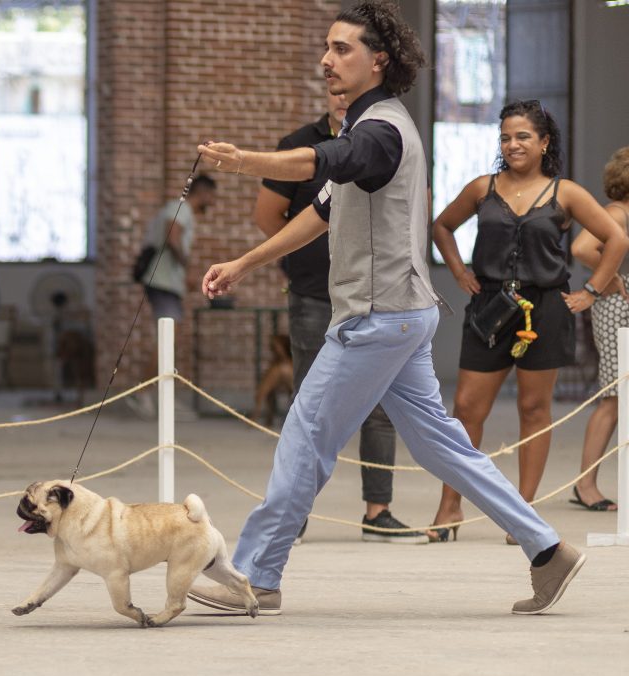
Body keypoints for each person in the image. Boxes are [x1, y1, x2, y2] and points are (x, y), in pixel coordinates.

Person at [186, 1, 598, 617]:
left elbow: (312, 164)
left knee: (305, 435)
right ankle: (548, 550)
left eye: (342, 49)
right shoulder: (366, 131)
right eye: (326, 48)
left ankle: (253, 575)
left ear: (379, 60)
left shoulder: (380, 132)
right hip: (403, 313)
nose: (327, 60)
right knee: (444, 447)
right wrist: (246, 262)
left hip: (377, 318)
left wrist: (243, 161)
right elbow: (321, 211)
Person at [429, 102, 628, 542]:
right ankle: (449, 507)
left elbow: (615, 238)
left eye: (522, 136)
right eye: (505, 137)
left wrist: (592, 289)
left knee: (534, 411)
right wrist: (460, 272)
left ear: (544, 142)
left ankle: (522, 515)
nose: (512, 144)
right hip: (489, 308)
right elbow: (442, 225)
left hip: (546, 309)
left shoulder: (566, 193)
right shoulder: (483, 187)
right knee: (465, 411)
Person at [254, 90, 424, 543]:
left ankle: (378, 508)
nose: (341, 96)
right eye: (334, 88)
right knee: (309, 405)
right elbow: (270, 213)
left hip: (376, 298)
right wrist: (296, 258)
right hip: (314, 292)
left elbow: (413, 206)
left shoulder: (384, 137)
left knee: (383, 406)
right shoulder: (298, 142)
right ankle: (295, 511)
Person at [568, 146, 629, 512]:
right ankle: (585, 484)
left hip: (620, 305)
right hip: (614, 309)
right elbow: (581, 247)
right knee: (613, 398)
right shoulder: (616, 213)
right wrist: (612, 280)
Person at [126, 175, 216, 419]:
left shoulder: (181, 210)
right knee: (167, 337)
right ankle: (142, 392)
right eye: (212, 196)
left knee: (170, 339)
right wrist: (187, 268)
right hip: (162, 282)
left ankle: (160, 396)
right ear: (203, 193)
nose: (213, 201)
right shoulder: (181, 208)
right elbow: (173, 236)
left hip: (167, 283)